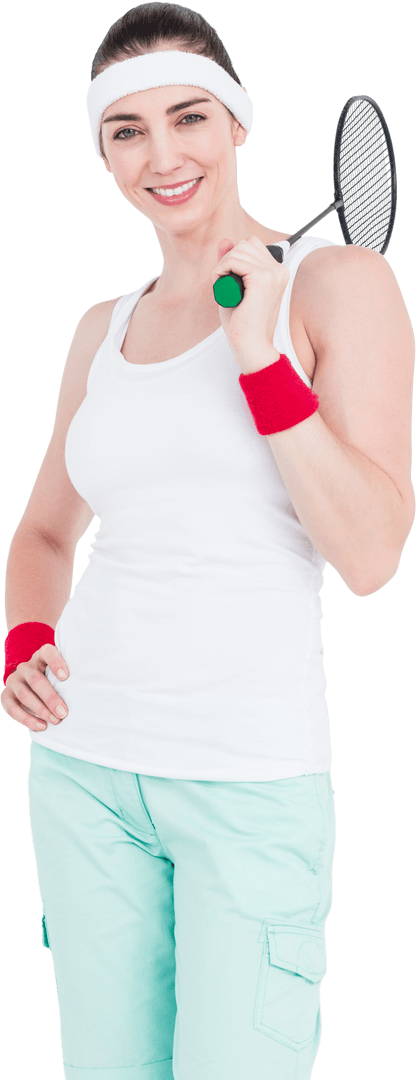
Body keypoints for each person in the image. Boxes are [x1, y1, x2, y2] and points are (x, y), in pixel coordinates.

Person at [2, 4, 415, 1079]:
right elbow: (46, 528)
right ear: (102, 155)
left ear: (236, 123)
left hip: (245, 783)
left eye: (187, 116)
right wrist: (25, 641)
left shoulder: (337, 285)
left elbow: (370, 556)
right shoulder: (101, 324)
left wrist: (258, 358)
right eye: (126, 131)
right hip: (82, 772)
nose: (161, 154)